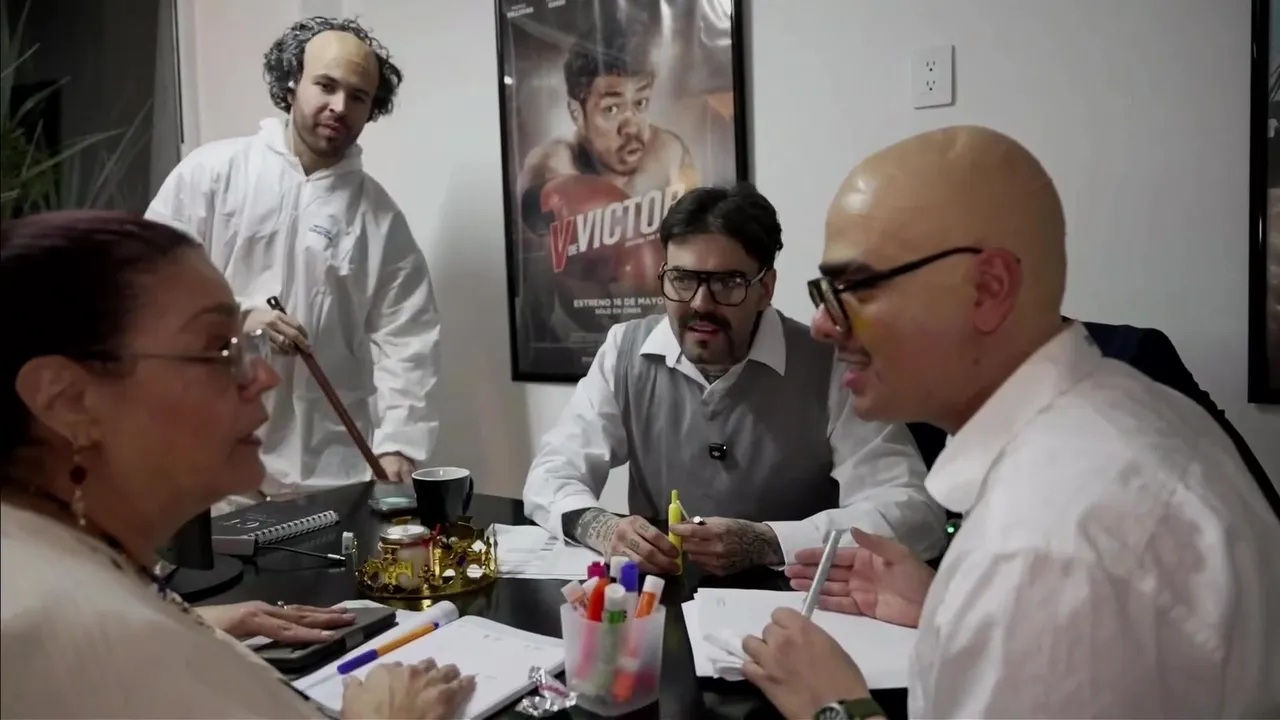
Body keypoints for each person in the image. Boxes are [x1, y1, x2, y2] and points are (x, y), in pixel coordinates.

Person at [740, 126, 1280, 718]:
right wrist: (946, 606)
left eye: (857, 288)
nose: (822, 325)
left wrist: (833, 706)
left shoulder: (1043, 547)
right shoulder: (1136, 412)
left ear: (988, 289)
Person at [0, 211, 472, 719]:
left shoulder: (62, 570)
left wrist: (193, 620)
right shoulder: (52, 638)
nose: (265, 376)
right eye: (217, 349)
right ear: (69, 401)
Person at [522, 183, 947, 577]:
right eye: (682, 279)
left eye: (728, 282)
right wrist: (602, 528)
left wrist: (769, 542)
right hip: (661, 599)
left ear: (765, 289)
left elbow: (914, 513)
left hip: (792, 601)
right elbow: (551, 474)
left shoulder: (829, 364)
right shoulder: (625, 349)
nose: (700, 304)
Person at [146, 17, 440, 507]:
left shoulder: (380, 218)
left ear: (372, 109)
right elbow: (151, 280)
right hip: (210, 456)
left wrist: (398, 444)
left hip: (327, 468)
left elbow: (409, 337)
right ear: (291, 84)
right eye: (325, 85)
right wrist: (239, 314)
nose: (339, 106)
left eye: (358, 96)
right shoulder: (212, 173)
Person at [514, 17, 701, 368]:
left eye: (640, 103)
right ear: (577, 112)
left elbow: (696, 254)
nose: (632, 126)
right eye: (612, 108)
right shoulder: (553, 166)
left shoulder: (671, 154)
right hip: (577, 348)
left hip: (664, 349)